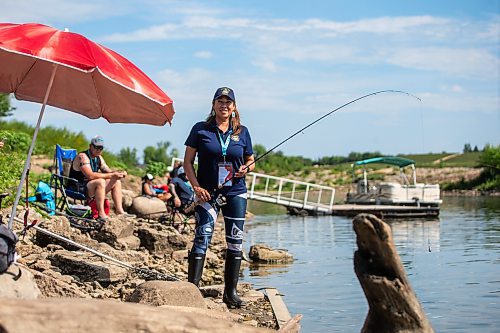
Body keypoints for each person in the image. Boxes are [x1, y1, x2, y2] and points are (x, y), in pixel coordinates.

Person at [183, 87, 255, 308]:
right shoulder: (200, 129)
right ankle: (192, 291)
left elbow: (251, 160)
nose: (224, 105)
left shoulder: (242, 131)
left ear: (234, 107)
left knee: (235, 242)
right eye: (220, 101)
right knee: (202, 238)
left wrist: (247, 168)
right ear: (213, 105)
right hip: (207, 193)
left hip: (235, 192)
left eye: (228, 102)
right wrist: (196, 188)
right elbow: (187, 163)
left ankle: (230, 293)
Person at [69, 135, 134, 221]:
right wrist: (111, 175)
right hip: (77, 188)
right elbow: (90, 175)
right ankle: (101, 214)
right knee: (100, 182)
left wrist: (119, 173)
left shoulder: (99, 158)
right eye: (96, 147)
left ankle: (119, 211)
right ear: (90, 146)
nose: (98, 150)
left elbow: (108, 171)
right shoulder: (83, 157)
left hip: (88, 187)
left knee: (116, 181)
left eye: (101, 148)